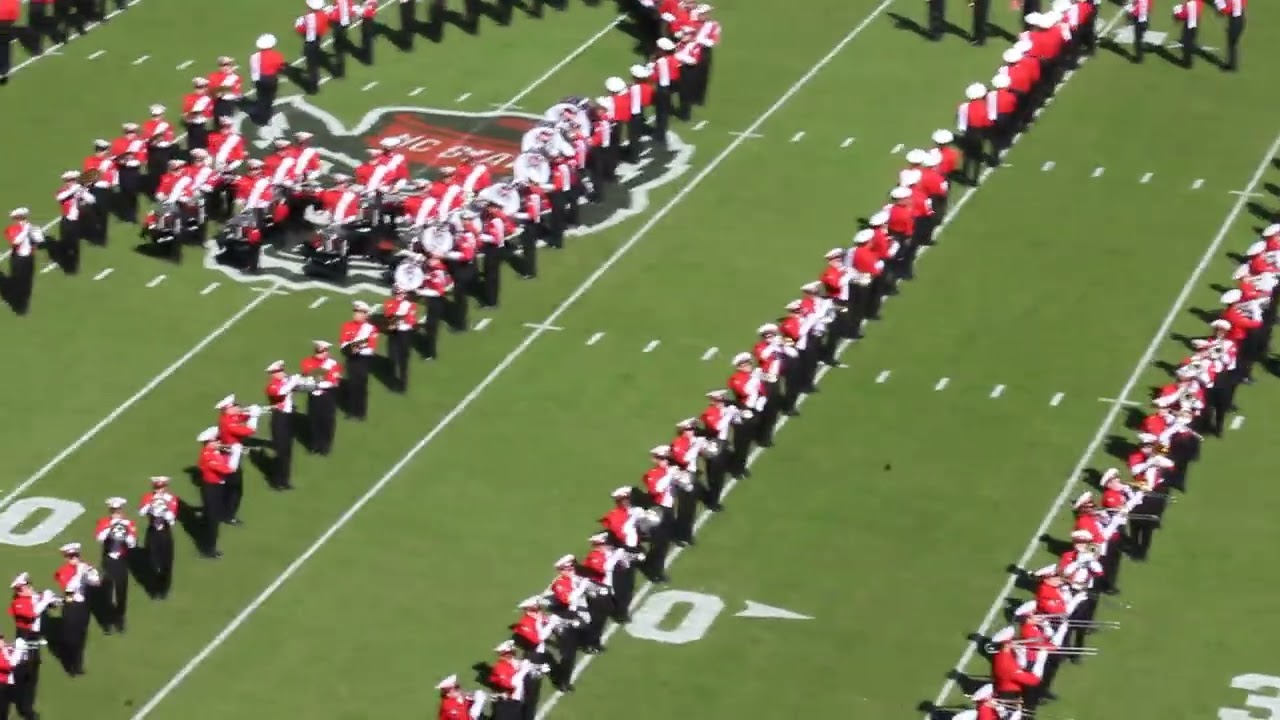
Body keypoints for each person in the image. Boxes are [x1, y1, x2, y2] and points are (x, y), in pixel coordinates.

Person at [92, 498, 137, 634]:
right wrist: (111, 528)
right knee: (107, 592)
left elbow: (132, 543)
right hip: (108, 560)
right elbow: (99, 538)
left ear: (121, 510)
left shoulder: (129, 523)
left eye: (118, 510)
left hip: (121, 561)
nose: (116, 513)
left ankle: (120, 618)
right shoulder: (104, 522)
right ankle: (107, 622)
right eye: (113, 511)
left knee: (121, 592)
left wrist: (125, 532)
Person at [52, 543, 97, 675]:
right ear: (66, 558)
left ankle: (78, 665)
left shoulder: (85, 566)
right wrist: (79, 573)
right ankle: (69, 663)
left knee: (81, 635)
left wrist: (89, 574)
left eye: (76, 555)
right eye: (71, 556)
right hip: (71, 606)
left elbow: (96, 582)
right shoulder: (63, 571)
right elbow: (69, 589)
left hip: (83, 606)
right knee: (70, 638)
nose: (74, 558)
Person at [215, 394, 259, 524]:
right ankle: (228, 515)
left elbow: (241, 416)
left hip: (228, 453)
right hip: (231, 456)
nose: (238, 406)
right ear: (228, 409)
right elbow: (250, 431)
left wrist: (251, 411)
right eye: (234, 406)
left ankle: (223, 510)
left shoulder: (228, 418)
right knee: (235, 488)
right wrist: (254, 416)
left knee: (228, 485)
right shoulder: (229, 423)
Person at [264, 360, 302, 489]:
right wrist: (293, 380)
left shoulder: (285, 382)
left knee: (287, 451)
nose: (283, 373)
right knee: (281, 452)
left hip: (287, 417)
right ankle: (276, 481)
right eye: (280, 371)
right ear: (273, 374)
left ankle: (284, 480)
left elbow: (294, 388)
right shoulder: (272, 386)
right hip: (279, 419)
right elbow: (282, 392)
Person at [138, 477, 178, 598]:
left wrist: (164, 509)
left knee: (167, 562)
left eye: (161, 488)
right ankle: (154, 589)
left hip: (165, 532)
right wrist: (152, 505)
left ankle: (164, 589)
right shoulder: (148, 497)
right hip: (153, 532)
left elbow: (171, 520)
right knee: (152, 562)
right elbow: (141, 511)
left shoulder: (171, 498)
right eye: (157, 488)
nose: (159, 490)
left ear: (165, 487)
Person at [299, 341, 342, 455]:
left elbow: (334, 381)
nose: (321, 354)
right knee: (314, 419)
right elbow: (306, 376)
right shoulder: (307, 362)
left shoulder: (332, 363)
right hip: (313, 395)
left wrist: (320, 381)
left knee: (327, 421)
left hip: (328, 395)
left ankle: (325, 446)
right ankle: (315, 444)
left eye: (324, 351)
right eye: (319, 351)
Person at [339, 301, 379, 420]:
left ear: (366, 314)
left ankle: (361, 412)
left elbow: (371, 348)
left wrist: (357, 348)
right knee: (351, 384)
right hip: (351, 358)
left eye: (359, 312)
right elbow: (343, 343)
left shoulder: (371, 329)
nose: (355, 313)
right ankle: (351, 411)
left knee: (361, 385)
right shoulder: (346, 326)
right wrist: (354, 347)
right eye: (355, 311)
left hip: (363, 360)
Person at [196, 427, 231, 558]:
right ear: (209, 442)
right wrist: (234, 454)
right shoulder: (208, 456)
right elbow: (226, 470)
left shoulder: (214, 452)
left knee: (212, 516)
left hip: (215, 487)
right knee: (212, 519)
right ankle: (208, 549)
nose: (219, 442)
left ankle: (209, 544)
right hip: (211, 488)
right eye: (216, 441)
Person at [4, 208, 44, 314]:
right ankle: (17, 304)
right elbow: (15, 242)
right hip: (18, 259)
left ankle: (23, 305)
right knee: (17, 282)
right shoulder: (11, 229)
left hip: (29, 259)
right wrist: (25, 231)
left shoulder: (32, 228)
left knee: (27, 283)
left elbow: (40, 241)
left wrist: (34, 232)